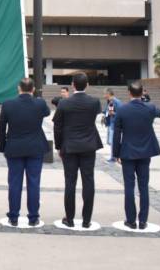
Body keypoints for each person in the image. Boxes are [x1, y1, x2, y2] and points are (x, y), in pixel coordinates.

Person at [0, 78, 51, 227]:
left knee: (14, 183)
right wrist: (37, 99)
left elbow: (1, 128)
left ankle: (13, 216)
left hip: (14, 147)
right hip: (35, 147)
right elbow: (46, 113)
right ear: (33, 89)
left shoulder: (8, 104)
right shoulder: (39, 103)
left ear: (18, 88)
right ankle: (33, 217)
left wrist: (2, 147)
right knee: (34, 183)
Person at [53, 72, 103, 228]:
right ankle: (87, 219)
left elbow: (57, 127)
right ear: (87, 85)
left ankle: (70, 218)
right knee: (88, 181)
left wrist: (59, 146)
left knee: (70, 182)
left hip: (70, 146)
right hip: (89, 145)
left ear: (73, 85)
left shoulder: (64, 103)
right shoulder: (94, 102)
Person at [112, 81, 160, 230]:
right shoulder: (150, 107)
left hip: (127, 152)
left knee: (129, 186)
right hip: (145, 152)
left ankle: (131, 220)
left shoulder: (122, 109)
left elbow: (117, 134)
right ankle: (143, 220)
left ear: (129, 93)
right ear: (142, 93)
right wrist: (147, 100)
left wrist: (116, 153)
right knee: (143, 186)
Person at [103, 88, 122, 162]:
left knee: (114, 141)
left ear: (108, 94)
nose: (104, 95)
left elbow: (121, 114)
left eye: (105, 94)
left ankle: (114, 157)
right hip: (110, 123)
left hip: (114, 125)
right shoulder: (110, 102)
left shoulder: (117, 102)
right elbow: (107, 111)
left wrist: (113, 113)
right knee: (110, 141)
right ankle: (114, 156)